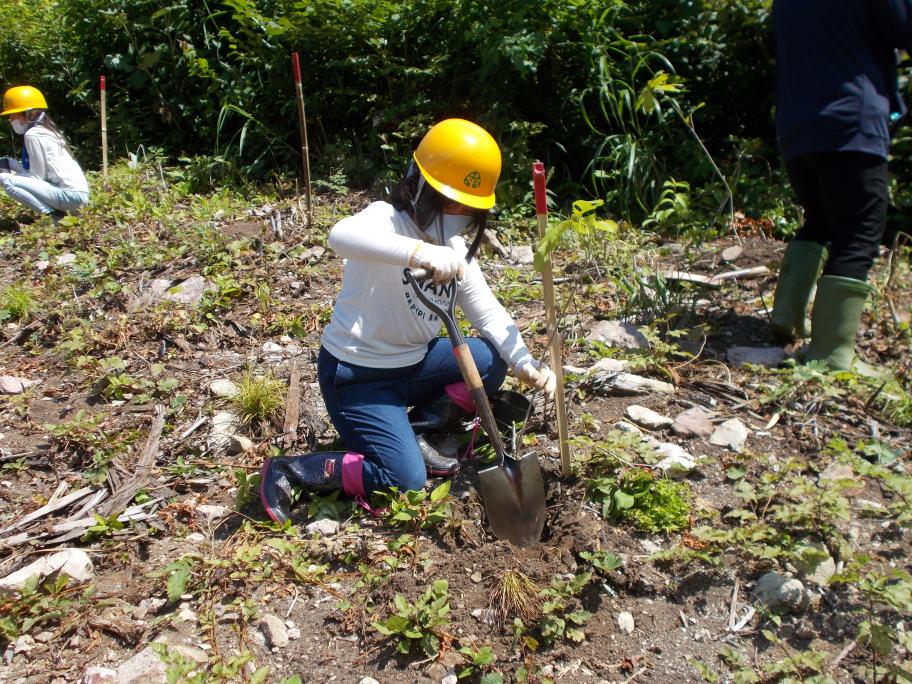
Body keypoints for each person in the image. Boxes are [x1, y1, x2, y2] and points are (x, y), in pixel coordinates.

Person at [260, 118, 557, 524]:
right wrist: (417, 253)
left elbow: (487, 312)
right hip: (358, 378)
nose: (457, 215)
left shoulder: (453, 248)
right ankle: (296, 470)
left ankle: (417, 430)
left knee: (490, 358)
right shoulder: (384, 221)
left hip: (413, 365)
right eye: (449, 202)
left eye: (467, 208)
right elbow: (340, 236)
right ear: (418, 185)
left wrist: (525, 361)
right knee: (405, 481)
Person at [769, 0, 911, 372]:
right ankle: (830, 356)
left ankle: (787, 315)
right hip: (850, 120)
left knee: (820, 218)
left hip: (796, 124)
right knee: (860, 231)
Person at [0, 85, 89, 221]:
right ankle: (57, 215)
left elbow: (38, 177)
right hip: (77, 195)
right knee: (9, 176)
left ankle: (54, 218)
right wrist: (11, 164)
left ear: (31, 113)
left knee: (7, 180)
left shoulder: (33, 135)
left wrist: (9, 174)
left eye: (14, 114)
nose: (11, 119)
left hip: (71, 196)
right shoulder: (44, 130)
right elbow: (40, 171)